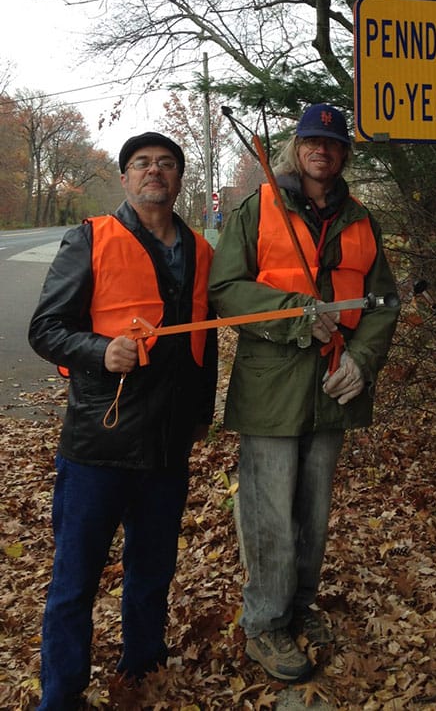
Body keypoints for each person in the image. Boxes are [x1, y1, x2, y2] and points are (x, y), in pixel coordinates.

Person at [28, 131, 218, 710]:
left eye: (166, 164)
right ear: (125, 176)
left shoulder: (200, 250)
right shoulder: (89, 239)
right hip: (97, 445)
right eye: (142, 163)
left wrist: (200, 417)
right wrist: (97, 349)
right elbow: (45, 329)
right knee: (75, 581)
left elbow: (204, 342)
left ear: (180, 179)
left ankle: (142, 668)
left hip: (167, 446)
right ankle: (61, 696)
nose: (154, 171)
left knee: (153, 571)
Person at [209, 103, 398, 684]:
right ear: (297, 148)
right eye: (312, 141)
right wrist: (295, 314)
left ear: (344, 154)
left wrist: (363, 362)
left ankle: (300, 606)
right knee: (268, 511)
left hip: (334, 383)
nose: (322, 150)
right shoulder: (256, 208)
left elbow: (383, 303)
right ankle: (265, 621)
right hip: (272, 385)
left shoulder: (363, 220)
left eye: (333, 143)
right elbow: (225, 289)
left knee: (313, 510)